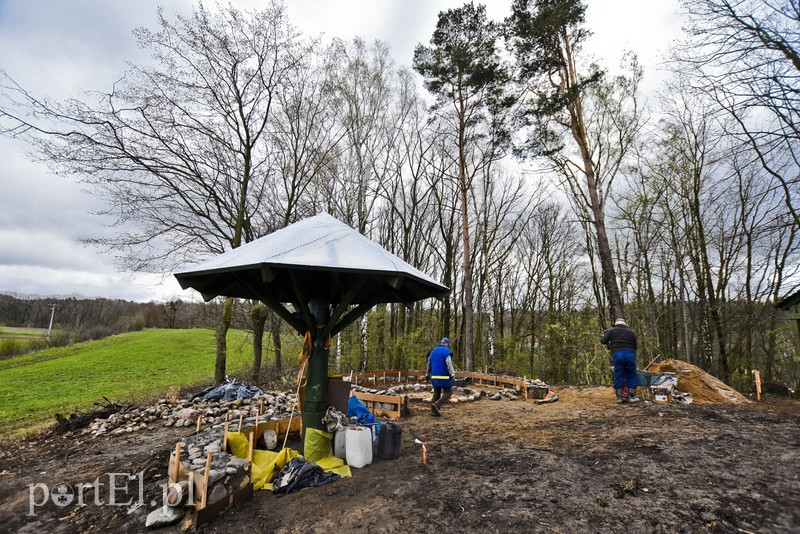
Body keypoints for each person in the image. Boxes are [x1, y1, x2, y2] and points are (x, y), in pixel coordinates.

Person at [600, 318, 641, 404]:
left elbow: (602, 341)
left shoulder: (611, 331)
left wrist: (607, 336)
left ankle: (619, 398)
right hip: (630, 354)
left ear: (616, 324)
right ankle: (632, 397)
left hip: (618, 354)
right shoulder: (631, 333)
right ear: (625, 324)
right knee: (631, 374)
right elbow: (635, 346)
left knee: (619, 374)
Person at [426, 337, 455, 416]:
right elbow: (448, 363)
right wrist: (452, 373)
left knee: (437, 392)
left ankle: (433, 411)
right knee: (448, 391)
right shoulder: (446, 351)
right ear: (446, 343)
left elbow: (429, 363)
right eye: (448, 344)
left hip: (434, 376)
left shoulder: (433, 351)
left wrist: (427, 373)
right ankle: (437, 405)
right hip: (444, 376)